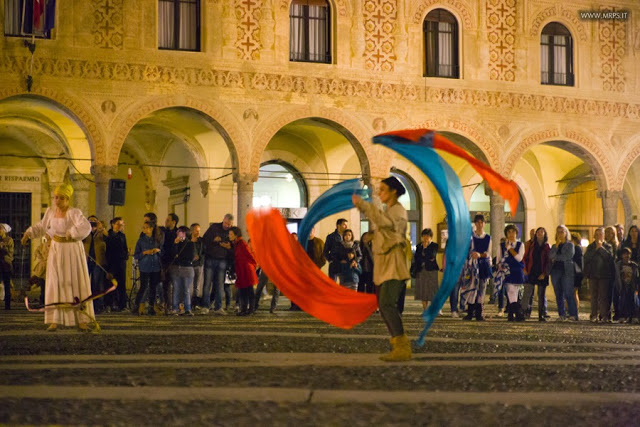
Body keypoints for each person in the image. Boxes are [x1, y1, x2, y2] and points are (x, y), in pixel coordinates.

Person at [353, 176, 411, 362]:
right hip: (386, 265)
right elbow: (384, 229)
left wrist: (363, 205)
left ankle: (402, 346)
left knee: (387, 304)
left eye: (383, 189)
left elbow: (384, 223)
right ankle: (398, 344)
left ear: (394, 191)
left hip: (394, 265)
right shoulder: (390, 210)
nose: (380, 193)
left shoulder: (398, 210)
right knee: (385, 304)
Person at [21, 183, 94, 331]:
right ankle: (55, 319)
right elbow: (42, 226)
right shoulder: (50, 212)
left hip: (72, 251)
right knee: (55, 283)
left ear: (67, 199)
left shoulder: (74, 212)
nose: (57, 200)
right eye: (56, 197)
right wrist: (28, 233)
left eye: (61, 198)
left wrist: (72, 232)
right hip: (56, 250)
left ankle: (82, 320)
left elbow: (86, 227)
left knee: (74, 282)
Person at [200, 214, 234, 315]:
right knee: (207, 284)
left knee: (220, 285)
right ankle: (205, 306)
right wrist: (213, 240)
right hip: (210, 258)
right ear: (223, 220)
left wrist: (228, 246)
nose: (227, 226)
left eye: (229, 224)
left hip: (222, 259)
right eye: (226, 223)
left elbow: (233, 244)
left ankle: (218, 307)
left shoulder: (231, 231)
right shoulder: (214, 227)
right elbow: (205, 239)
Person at [462, 214, 492, 321]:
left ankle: (479, 312)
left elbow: (488, 253)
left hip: (483, 265)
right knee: (471, 288)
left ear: (484, 224)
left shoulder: (488, 238)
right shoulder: (470, 237)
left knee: (482, 289)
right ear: (475, 223)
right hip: (472, 265)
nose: (479, 224)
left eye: (481, 222)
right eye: (477, 222)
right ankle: (470, 312)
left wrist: (480, 255)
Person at [584, 227, 615, 323]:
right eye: (596, 234)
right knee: (593, 296)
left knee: (603, 296)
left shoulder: (608, 246)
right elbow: (586, 258)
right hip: (593, 274)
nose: (598, 236)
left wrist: (600, 248)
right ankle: (594, 315)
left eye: (600, 234)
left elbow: (609, 258)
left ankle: (604, 315)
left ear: (604, 235)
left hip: (604, 275)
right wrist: (595, 249)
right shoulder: (590, 247)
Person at [496, 225, 525, 322]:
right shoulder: (501, 245)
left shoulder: (521, 245)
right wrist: (500, 266)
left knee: (514, 294)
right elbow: (498, 259)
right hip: (507, 272)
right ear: (506, 234)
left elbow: (519, 258)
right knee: (511, 291)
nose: (511, 234)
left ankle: (512, 314)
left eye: (513, 232)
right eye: (509, 232)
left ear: (516, 233)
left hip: (517, 271)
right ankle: (518, 314)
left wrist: (509, 248)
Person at [132, 221, 162, 315]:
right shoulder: (141, 241)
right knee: (143, 286)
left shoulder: (157, 240)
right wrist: (145, 253)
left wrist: (158, 251)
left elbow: (163, 252)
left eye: (146, 227)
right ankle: (137, 306)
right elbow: (136, 255)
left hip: (155, 266)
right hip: (145, 266)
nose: (144, 229)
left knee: (153, 287)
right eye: (143, 227)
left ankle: (151, 307)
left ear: (151, 228)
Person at [549, 225, 578, 321]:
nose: (560, 234)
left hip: (566, 271)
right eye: (558, 232)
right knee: (558, 294)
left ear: (566, 233)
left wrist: (556, 258)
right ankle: (561, 314)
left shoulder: (570, 245)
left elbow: (567, 256)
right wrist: (556, 247)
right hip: (555, 272)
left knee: (568, 293)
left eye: (562, 232)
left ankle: (573, 314)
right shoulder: (554, 246)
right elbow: (550, 256)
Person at [523, 227, 551, 321]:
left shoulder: (547, 246)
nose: (540, 233)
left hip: (542, 272)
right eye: (538, 232)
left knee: (541, 295)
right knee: (527, 293)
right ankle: (524, 312)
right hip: (532, 271)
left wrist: (545, 273)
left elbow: (548, 261)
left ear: (545, 234)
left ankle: (541, 314)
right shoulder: (531, 245)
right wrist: (525, 269)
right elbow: (525, 257)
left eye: (542, 231)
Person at [228, 227, 257, 316]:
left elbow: (250, 255)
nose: (229, 236)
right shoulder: (236, 243)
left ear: (236, 235)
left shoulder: (242, 243)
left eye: (231, 234)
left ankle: (250, 309)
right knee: (243, 290)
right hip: (242, 270)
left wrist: (254, 264)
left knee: (248, 290)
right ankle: (244, 309)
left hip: (246, 270)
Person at [83, 216, 108, 314]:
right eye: (90, 221)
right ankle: (86, 303)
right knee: (85, 283)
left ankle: (98, 305)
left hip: (98, 261)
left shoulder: (101, 233)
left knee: (97, 283)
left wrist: (101, 229)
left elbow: (108, 238)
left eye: (94, 221)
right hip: (87, 260)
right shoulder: (85, 232)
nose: (92, 223)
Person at [411, 228, 439, 311]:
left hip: (431, 270)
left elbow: (432, 256)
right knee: (423, 290)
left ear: (431, 237)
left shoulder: (434, 245)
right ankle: (425, 309)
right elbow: (417, 258)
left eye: (428, 236)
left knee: (432, 289)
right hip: (421, 270)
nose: (426, 238)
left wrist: (426, 248)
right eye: (424, 236)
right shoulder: (419, 246)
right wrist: (423, 258)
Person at [170, 225, 195, 316]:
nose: (177, 233)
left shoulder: (190, 244)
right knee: (176, 289)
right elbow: (172, 254)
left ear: (184, 233)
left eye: (179, 231)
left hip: (187, 269)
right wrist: (175, 244)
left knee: (186, 289)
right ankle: (175, 308)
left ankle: (187, 308)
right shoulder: (175, 243)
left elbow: (190, 257)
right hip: (176, 268)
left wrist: (178, 256)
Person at [105, 217, 128, 312]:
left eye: (122, 224)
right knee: (111, 284)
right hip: (111, 262)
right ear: (113, 224)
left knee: (121, 284)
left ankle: (122, 305)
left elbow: (125, 248)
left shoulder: (122, 236)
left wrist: (125, 256)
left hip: (121, 263)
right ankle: (110, 304)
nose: (120, 226)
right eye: (118, 224)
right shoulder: (108, 234)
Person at [160, 213, 179, 314]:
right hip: (164, 260)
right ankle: (167, 304)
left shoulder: (178, 232)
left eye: (168, 220)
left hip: (174, 262)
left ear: (174, 222)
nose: (166, 221)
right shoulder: (163, 232)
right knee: (165, 284)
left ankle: (175, 305)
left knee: (176, 284)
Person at [614, 247, 639, 324]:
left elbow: (636, 276)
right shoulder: (619, 265)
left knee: (633, 301)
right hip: (622, 285)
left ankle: (633, 316)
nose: (626, 256)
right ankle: (622, 316)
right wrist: (619, 285)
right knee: (622, 301)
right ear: (622, 255)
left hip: (631, 285)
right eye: (625, 254)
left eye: (628, 254)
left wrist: (636, 286)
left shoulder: (634, 265)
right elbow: (617, 276)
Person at [29, 236, 50, 306]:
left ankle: (45, 301)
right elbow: (37, 251)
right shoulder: (44, 245)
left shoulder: (55, 245)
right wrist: (41, 258)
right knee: (43, 285)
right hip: (44, 268)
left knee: (47, 286)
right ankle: (43, 301)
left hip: (50, 268)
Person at [190, 223, 204, 308]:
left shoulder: (201, 241)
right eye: (196, 230)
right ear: (191, 230)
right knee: (189, 285)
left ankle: (195, 302)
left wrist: (200, 257)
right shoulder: (188, 240)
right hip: (190, 265)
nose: (198, 232)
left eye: (199, 231)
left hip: (199, 264)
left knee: (197, 285)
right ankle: (189, 302)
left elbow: (204, 252)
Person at [0, 223, 14, 310]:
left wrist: (2, 247)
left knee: (7, 284)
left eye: (0, 229)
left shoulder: (9, 240)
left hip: (5, 264)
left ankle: (7, 305)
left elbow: (10, 253)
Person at [570, 232, 584, 311]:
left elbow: (578, 261)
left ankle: (574, 308)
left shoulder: (577, 248)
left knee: (574, 292)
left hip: (576, 273)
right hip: (576, 272)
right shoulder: (577, 248)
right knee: (573, 292)